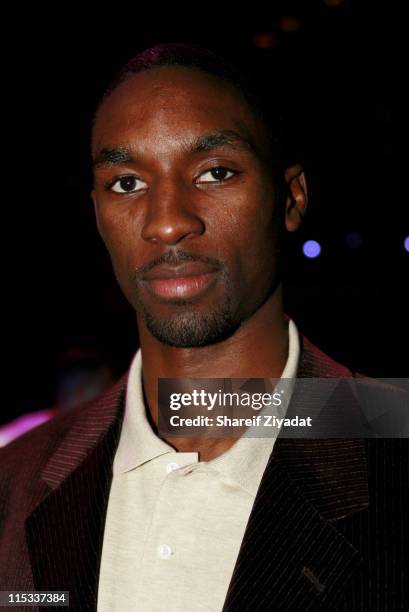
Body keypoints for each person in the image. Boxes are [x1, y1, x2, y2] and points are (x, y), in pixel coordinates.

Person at [0, 42, 407, 612]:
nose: (167, 222)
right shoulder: (14, 484)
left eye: (215, 173)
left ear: (289, 198)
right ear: (96, 214)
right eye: (126, 183)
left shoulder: (391, 443)